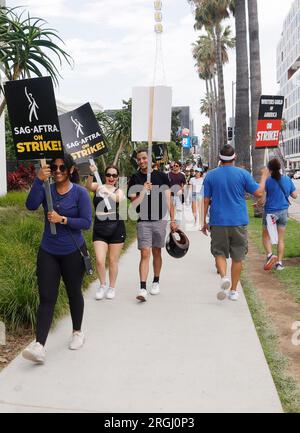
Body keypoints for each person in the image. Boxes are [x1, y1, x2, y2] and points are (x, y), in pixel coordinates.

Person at [22, 155, 92, 364]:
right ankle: (39, 345)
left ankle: (77, 332)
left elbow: (86, 222)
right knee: (46, 298)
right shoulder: (47, 189)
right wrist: (38, 180)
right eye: (54, 167)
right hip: (49, 251)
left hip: (72, 250)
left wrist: (63, 219)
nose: (58, 170)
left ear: (70, 170)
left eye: (62, 167)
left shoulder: (79, 193)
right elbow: (31, 205)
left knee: (73, 293)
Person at [202, 145, 268, 301]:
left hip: (218, 221)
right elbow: (258, 193)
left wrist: (203, 221)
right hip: (238, 221)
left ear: (219, 158)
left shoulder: (210, 176)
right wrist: (264, 176)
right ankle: (233, 291)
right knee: (238, 257)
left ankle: (224, 277)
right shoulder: (243, 174)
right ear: (235, 157)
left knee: (219, 253)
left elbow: (205, 200)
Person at [128, 148, 177, 302]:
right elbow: (133, 203)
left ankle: (156, 281)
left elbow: (169, 199)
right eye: (139, 159)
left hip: (159, 220)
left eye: (144, 158)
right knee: (144, 253)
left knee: (157, 252)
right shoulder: (134, 178)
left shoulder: (162, 176)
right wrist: (143, 190)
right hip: (143, 221)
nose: (142, 161)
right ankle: (142, 287)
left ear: (150, 159)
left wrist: (173, 220)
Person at [86, 164, 126, 299]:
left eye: (114, 175)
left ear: (117, 178)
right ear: (105, 176)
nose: (111, 177)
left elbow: (119, 199)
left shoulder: (118, 190)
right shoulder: (98, 187)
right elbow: (88, 186)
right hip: (99, 228)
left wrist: (107, 192)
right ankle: (102, 285)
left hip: (116, 227)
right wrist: (91, 173)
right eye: (108, 175)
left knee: (113, 260)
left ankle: (112, 287)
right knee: (99, 260)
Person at [262, 158, 297, 271]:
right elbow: (295, 195)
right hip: (283, 212)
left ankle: (270, 255)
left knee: (266, 235)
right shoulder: (287, 179)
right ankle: (279, 263)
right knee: (281, 238)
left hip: (270, 213)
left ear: (270, 169)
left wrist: (258, 204)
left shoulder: (267, 181)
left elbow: (263, 199)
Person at [168, 161, 187, 225]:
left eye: (177, 166)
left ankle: (178, 224)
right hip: (170, 195)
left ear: (179, 167)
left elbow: (184, 184)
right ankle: (172, 222)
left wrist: (182, 190)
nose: (175, 167)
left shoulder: (182, 175)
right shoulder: (168, 175)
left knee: (179, 209)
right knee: (170, 209)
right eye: (174, 165)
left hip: (179, 195)